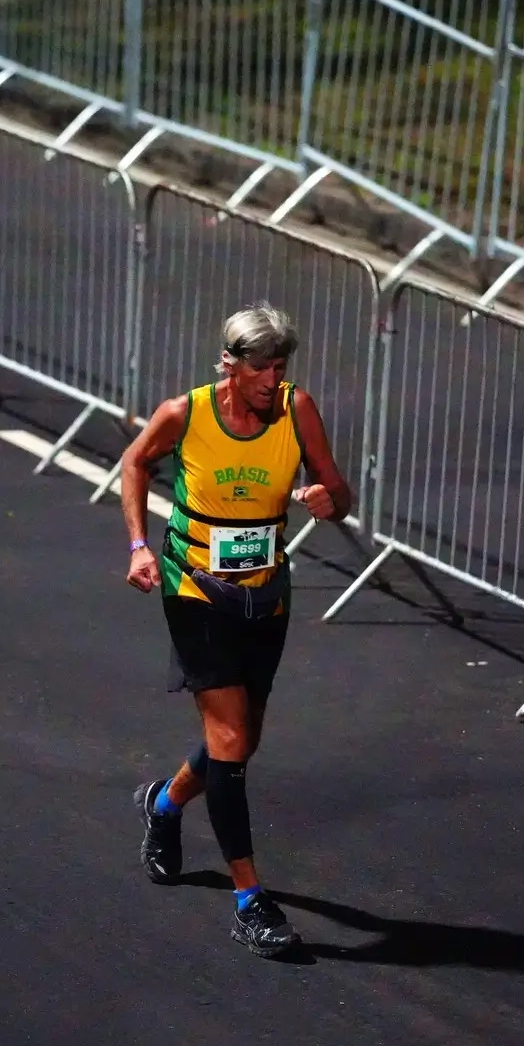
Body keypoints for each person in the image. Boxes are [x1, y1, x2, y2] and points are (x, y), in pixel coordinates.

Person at [121, 303, 351, 957]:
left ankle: (164, 805)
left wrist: (330, 501)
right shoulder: (185, 413)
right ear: (230, 364)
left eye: (280, 367)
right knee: (226, 735)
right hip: (195, 587)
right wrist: (138, 545)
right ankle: (250, 901)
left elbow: (339, 493)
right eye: (261, 368)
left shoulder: (297, 410)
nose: (272, 380)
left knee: (243, 739)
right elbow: (135, 462)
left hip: (264, 591)